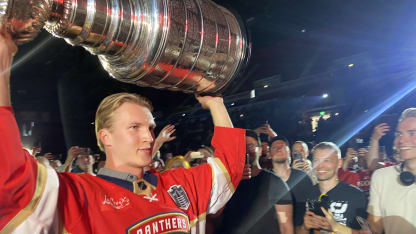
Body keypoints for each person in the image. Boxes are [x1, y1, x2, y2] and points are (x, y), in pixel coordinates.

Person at [0, 29, 245, 233]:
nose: (149, 137)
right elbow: (9, 180)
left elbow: (230, 165)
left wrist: (216, 103)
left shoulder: (177, 185)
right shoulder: (80, 195)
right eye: (134, 128)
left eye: (150, 127)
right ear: (105, 137)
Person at [212, 130, 294, 234]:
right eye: (241, 147)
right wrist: (231, 182)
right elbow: (214, 217)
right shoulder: (226, 181)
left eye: (250, 146)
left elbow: (286, 228)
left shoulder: (274, 182)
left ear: (260, 150)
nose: (245, 150)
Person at [296, 142, 368, 234]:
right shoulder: (305, 195)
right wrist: (304, 228)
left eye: (326, 160)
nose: (321, 165)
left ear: (339, 163)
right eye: (317, 160)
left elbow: (368, 232)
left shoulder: (356, 195)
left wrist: (336, 227)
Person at [368, 108, 416, 233]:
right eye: (399, 134)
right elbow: (375, 227)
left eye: (412, 133)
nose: (401, 140)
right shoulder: (382, 177)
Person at [269, 136, 314, 228]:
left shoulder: (303, 177)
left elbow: (314, 205)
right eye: (274, 147)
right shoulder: (265, 180)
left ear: (289, 152)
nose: (279, 149)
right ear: (269, 154)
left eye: (282, 147)